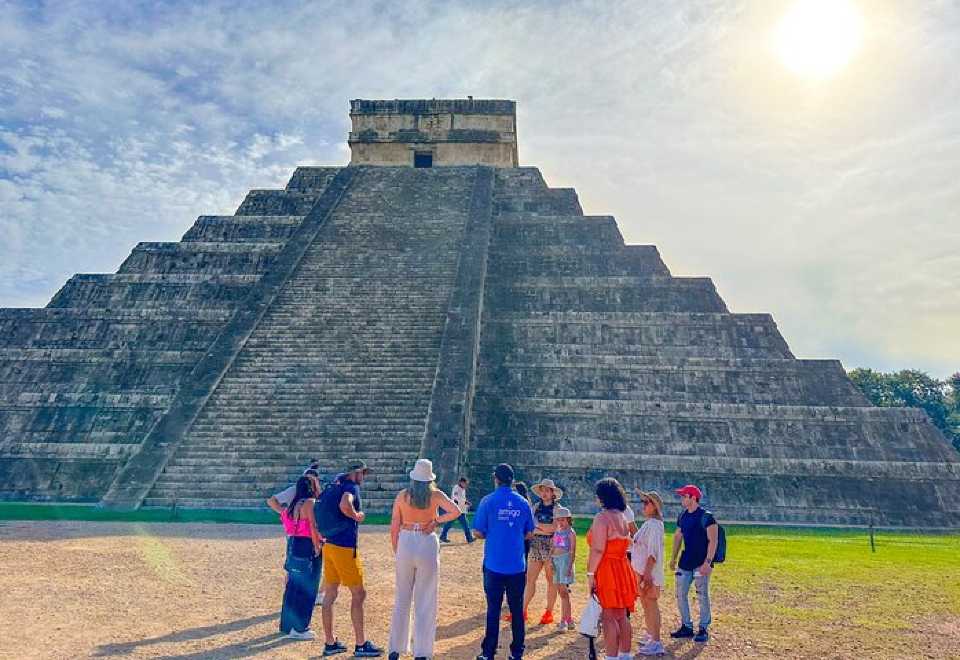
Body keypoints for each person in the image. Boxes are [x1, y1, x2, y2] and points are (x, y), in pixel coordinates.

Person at [387, 459, 462, 660]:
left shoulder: (402, 496)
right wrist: (436, 520)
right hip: (426, 540)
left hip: (406, 539)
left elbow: (394, 525)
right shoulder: (435, 495)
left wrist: (398, 549)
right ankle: (422, 652)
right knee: (425, 599)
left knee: (402, 597)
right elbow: (456, 511)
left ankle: (395, 648)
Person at [320, 460, 383, 657]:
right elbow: (345, 504)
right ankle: (361, 644)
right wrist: (356, 515)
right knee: (359, 594)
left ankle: (330, 643)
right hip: (344, 547)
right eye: (362, 473)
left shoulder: (335, 484)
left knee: (330, 594)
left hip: (329, 544)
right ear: (355, 473)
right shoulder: (350, 487)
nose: (363, 477)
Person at [473, 463, 535, 660]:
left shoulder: (487, 501)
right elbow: (530, 532)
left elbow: (478, 532)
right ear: (512, 480)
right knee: (517, 610)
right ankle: (517, 652)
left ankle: (488, 652)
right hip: (516, 565)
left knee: (493, 609)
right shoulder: (523, 502)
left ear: (495, 478)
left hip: (494, 564)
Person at [586, 478, 638, 660]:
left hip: (607, 569)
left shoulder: (602, 517)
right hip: (622, 567)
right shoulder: (622, 516)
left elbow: (598, 549)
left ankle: (611, 656)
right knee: (622, 615)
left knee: (608, 616)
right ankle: (625, 654)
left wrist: (590, 574)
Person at [669, 484, 718, 644]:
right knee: (680, 594)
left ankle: (703, 628)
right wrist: (673, 558)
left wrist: (708, 562)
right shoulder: (682, 516)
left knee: (702, 595)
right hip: (685, 562)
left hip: (701, 563)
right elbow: (678, 537)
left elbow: (713, 541)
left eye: (684, 496)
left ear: (693, 498)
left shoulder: (707, 517)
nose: (681, 499)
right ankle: (686, 626)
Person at [279, 475, 324, 640]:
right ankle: (300, 627)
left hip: (294, 544)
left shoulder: (293, 504)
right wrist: (317, 545)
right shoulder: (310, 503)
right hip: (307, 545)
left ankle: (287, 625)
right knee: (308, 587)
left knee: (293, 586)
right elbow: (312, 525)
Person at [520, 478, 562, 625]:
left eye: (547, 491)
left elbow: (555, 528)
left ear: (552, 493)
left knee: (551, 581)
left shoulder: (558, 509)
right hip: (536, 544)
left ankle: (548, 612)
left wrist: (540, 527)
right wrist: (543, 527)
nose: (544, 493)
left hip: (551, 546)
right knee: (530, 579)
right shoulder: (536, 507)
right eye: (542, 490)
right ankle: (522, 611)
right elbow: (530, 525)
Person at [632, 491, 665, 656]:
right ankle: (651, 635)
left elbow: (652, 553)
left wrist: (646, 575)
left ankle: (656, 640)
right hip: (643, 571)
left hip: (648, 572)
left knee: (651, 603)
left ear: (654, 506)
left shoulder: (654, 526)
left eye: (646, 502)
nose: (643, 505)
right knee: (646, 604)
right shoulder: (649, 523)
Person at [550, 506, 576, 631]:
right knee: (562, 592)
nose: (561, 522)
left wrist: (570, 567)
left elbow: (572, 551)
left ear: (569, 520)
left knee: (564, 592)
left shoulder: (571, 533)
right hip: (556, 561)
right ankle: (569, 619)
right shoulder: (558, 532)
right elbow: (554, 546)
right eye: (558, 520)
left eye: (563, 520)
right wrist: (551, 561)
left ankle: (564, 621)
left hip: (565, 562)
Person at [439, 476, 474, 544]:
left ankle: (469, 539)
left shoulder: (463, 489)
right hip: (455, 510)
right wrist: (461, 503)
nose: (466, 485)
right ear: (461, 482)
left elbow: (462, 499)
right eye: (465, 483)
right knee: (448, 524)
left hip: (461, 511)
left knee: (465, 525)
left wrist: (466, 502)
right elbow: (456, 499)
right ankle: (443, 537)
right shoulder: (456, 488)